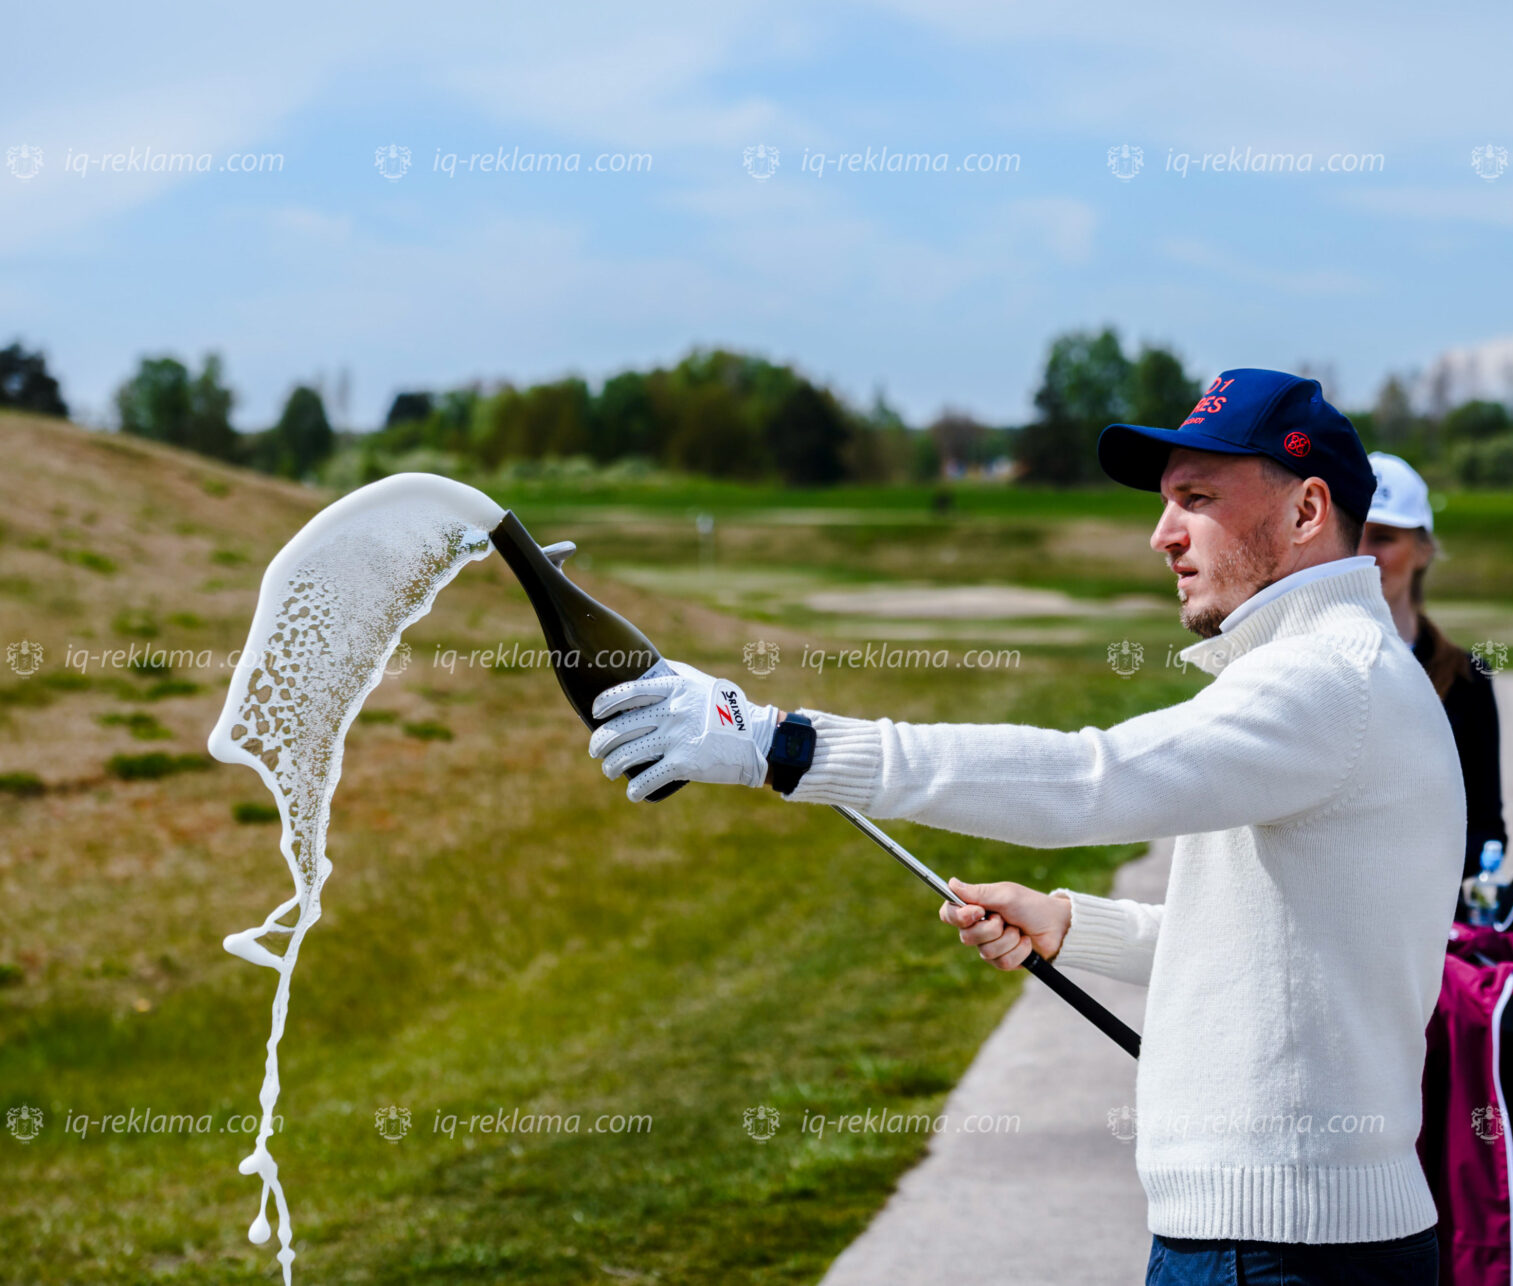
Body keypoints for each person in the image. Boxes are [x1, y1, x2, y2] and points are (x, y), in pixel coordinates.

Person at [587, 370, 1463, 1286]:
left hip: (1285, 1251)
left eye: (1195, 499)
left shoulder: (1328, 679)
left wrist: (779, 744)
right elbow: (1277, 953)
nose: (1162, 535)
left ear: (1306, 508)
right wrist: (1073, 925)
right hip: (1293, 1239)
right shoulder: (1340, 672)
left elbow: (1091, 778)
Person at [1359, 453, 1507, 880]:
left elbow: (1485, 829)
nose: (1364, 555)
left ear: (1423, 550)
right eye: (1351, 534)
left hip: (1424, 923)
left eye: (1383, 537)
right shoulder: (1295, 662)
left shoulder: (1465, 677)